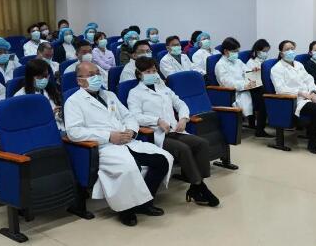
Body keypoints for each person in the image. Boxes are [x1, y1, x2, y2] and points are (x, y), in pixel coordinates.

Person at [64, 62, 174, 226]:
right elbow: (74, 132)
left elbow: (128, 116)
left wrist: (131, 131)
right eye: (91, 75)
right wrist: (109, 137)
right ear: (79, 80)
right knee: (129, 167)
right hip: (103, 147)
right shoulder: (73, 102)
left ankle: (144, 203)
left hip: (127, 140)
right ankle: (126, 210)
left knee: (163, 159)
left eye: (98, 73)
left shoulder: (109, 95)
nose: (97, 77)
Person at [127, 57, 219, 206]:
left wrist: (183, 118)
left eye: (154, 71)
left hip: (175, 130)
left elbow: (180, 103)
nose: (152, 74)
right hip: (156, 135)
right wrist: (157, 120)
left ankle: (196, 186)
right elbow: (135, 116)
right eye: (148, 72)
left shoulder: (162, 87)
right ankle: (200, 187)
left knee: (202, 143)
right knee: (183, 149)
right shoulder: (135, 93)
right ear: (139, 74)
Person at [271, 40, 316, 154]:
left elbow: (309, 79)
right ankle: (312, 141)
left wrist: (314, 92)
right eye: (287, 49)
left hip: (309, 96)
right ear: (281, 53)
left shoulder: (298, 65)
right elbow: (280, 89)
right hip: (294, 100)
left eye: (292, 49)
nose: (291, 51)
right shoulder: (277, 68)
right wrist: (301, 93)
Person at [215, 37, 271, 137]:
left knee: (263, 92)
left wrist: (253, 72)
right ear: (226, 51)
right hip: (233, 92)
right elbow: (227, 83)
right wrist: (245, 85)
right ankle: (260, 130)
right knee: (262, 96)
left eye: (237, 51)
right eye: (234, 51)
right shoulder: (220, 65)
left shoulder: (238, 61)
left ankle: (260, 128)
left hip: (245, 87)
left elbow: (247, 72)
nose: (237, 53)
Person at [14, 59, 64, 133]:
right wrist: (48, 115)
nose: (44, 79)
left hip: (57, 128)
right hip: (37, 132)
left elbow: (55, 112)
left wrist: (59, 114)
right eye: (39, 77)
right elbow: (22, 122)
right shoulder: (20, 96)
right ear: (30, 77)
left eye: (46, 76)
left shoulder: (49, 89)